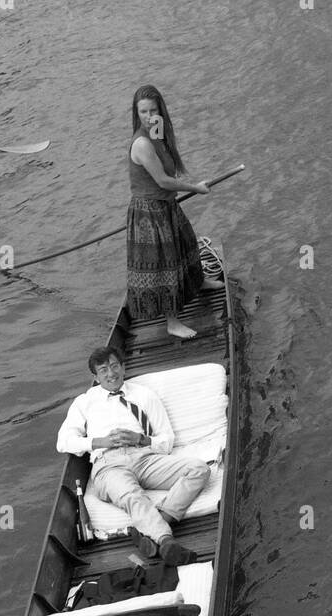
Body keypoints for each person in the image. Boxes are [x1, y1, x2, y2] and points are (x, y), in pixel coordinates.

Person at [56, 345, 209, 564]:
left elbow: (167, 440)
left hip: (143, 457)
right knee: (132, 496)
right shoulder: (85, 402)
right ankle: (166, 541)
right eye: (103, 370)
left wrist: (140, 439)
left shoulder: (144, 395)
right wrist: (101, 442)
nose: (111, 374)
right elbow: (63, 442)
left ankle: (155, 525)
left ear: (124, 367)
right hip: (108, 465)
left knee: (199, 469)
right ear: (96, 377)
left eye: (114, 366)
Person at [127, 84, 223, 340]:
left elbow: (169, 166)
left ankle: (198, 282)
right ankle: (172, 322)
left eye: (153, 110)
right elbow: (163, 181)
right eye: (143, 112)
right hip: (150, 212)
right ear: (137, 114)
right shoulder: (141, 144)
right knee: (166, 265)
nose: (148, 117)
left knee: (187, 243)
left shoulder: (157, 132)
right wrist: (196, 188)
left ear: (161, 111)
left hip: (166, 205)